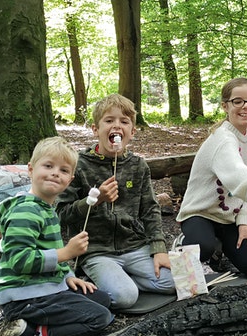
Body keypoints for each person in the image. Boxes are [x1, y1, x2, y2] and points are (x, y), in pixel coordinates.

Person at [56, 94, 175, 310]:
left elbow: (150, 209)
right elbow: (61, 213)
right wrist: (95, 199)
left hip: (135, 246)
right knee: (125, 297)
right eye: (109, 121)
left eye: (124, 121)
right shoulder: (79, 165)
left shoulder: (137, 166)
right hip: (96, 251)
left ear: (132, 131)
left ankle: (120, 278)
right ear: (95, 129)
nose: (116, 126)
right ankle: (105, 280)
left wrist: (159, 248)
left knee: (177, 282)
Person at [0, 136, 114, 336]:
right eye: (48, 166)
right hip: (26, 294)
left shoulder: (47, 208)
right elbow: (19, 260)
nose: (55, 173)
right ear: (31, 169)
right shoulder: (25, 210)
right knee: (100, 317)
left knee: (101, 299)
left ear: (70, 179)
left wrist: (67, 277)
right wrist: (66, 253)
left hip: (43, 286)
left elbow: (49, 248)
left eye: (63, 170)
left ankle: (16, 318)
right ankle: (31, 330)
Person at [176, 78, 247, 278]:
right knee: (201, 247)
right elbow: (237, 174)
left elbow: (241, 190)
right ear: (225, 106)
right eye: (238, 101)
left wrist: (244, 222)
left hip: (228, 220)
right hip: (201, 214)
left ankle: (217, 247)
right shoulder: (223, 138)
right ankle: (190, 244)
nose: (246, 107)